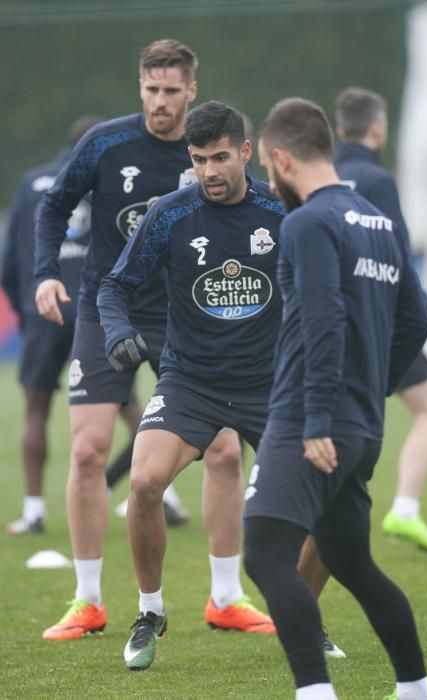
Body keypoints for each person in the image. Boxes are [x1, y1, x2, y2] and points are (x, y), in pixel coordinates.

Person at [33, 41, 253, 642]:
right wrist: (46, 272)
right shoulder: (106, 143)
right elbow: (54, 205)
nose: (160, 101)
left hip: (186, 319)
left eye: (171, 90)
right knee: (87, 451)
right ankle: (88, 602)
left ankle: (227, 596)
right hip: (110, 310)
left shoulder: (208, 152)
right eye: (150, 89)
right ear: (141, 88)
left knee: (227, 452)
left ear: (191, 90)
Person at [243, 97, 427, 700]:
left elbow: (324, 318)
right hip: (362, 424)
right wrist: (369, 388)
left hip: (311, 418)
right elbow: (418, 319)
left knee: (266, 554)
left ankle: (315, 693)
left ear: (280, 159)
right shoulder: (375, 219)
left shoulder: (306, 222)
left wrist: (322, 416)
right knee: (351, 562)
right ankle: (415, 689)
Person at [96, 100, 284, 670]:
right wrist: (118, 332)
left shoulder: (281, 210)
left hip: (268, 384)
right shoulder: (172, 214)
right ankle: (150, 611)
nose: (210, 172)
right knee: (145, 482)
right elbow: (114, 286)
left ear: (245, 152)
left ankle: (304, 614)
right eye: (199, 160)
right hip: (190, 382)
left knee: (313, 497)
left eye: (221, 158)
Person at [0, 115, 143, 535]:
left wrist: (27, 309)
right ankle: (160, 494)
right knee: (129, 405)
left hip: (46, 308)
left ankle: (33, 510)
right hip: (97, 308)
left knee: (36, 408)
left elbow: (9, 260)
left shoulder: (32, 183)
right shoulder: (113, 182)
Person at [333, 86, 427, 554]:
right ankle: (404, 509)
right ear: (378, 129)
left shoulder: (323, 173)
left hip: (331, 320)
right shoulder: (377, 180)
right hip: (378, 320)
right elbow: (397, 254)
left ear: (340, 128)